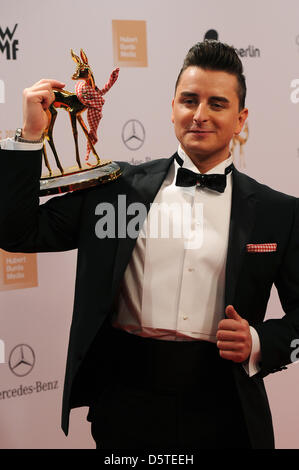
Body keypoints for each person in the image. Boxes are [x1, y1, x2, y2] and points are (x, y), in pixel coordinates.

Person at [0, 40, 299, 450]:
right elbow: (18, 233)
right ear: (172, 106)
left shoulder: (278, 212)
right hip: (126, 401)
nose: (199, 115)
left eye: (217, 104)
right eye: (189, 100)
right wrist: (32, 136)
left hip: (225, 404)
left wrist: (260, 343)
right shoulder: (114, 188)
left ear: (240, 118)